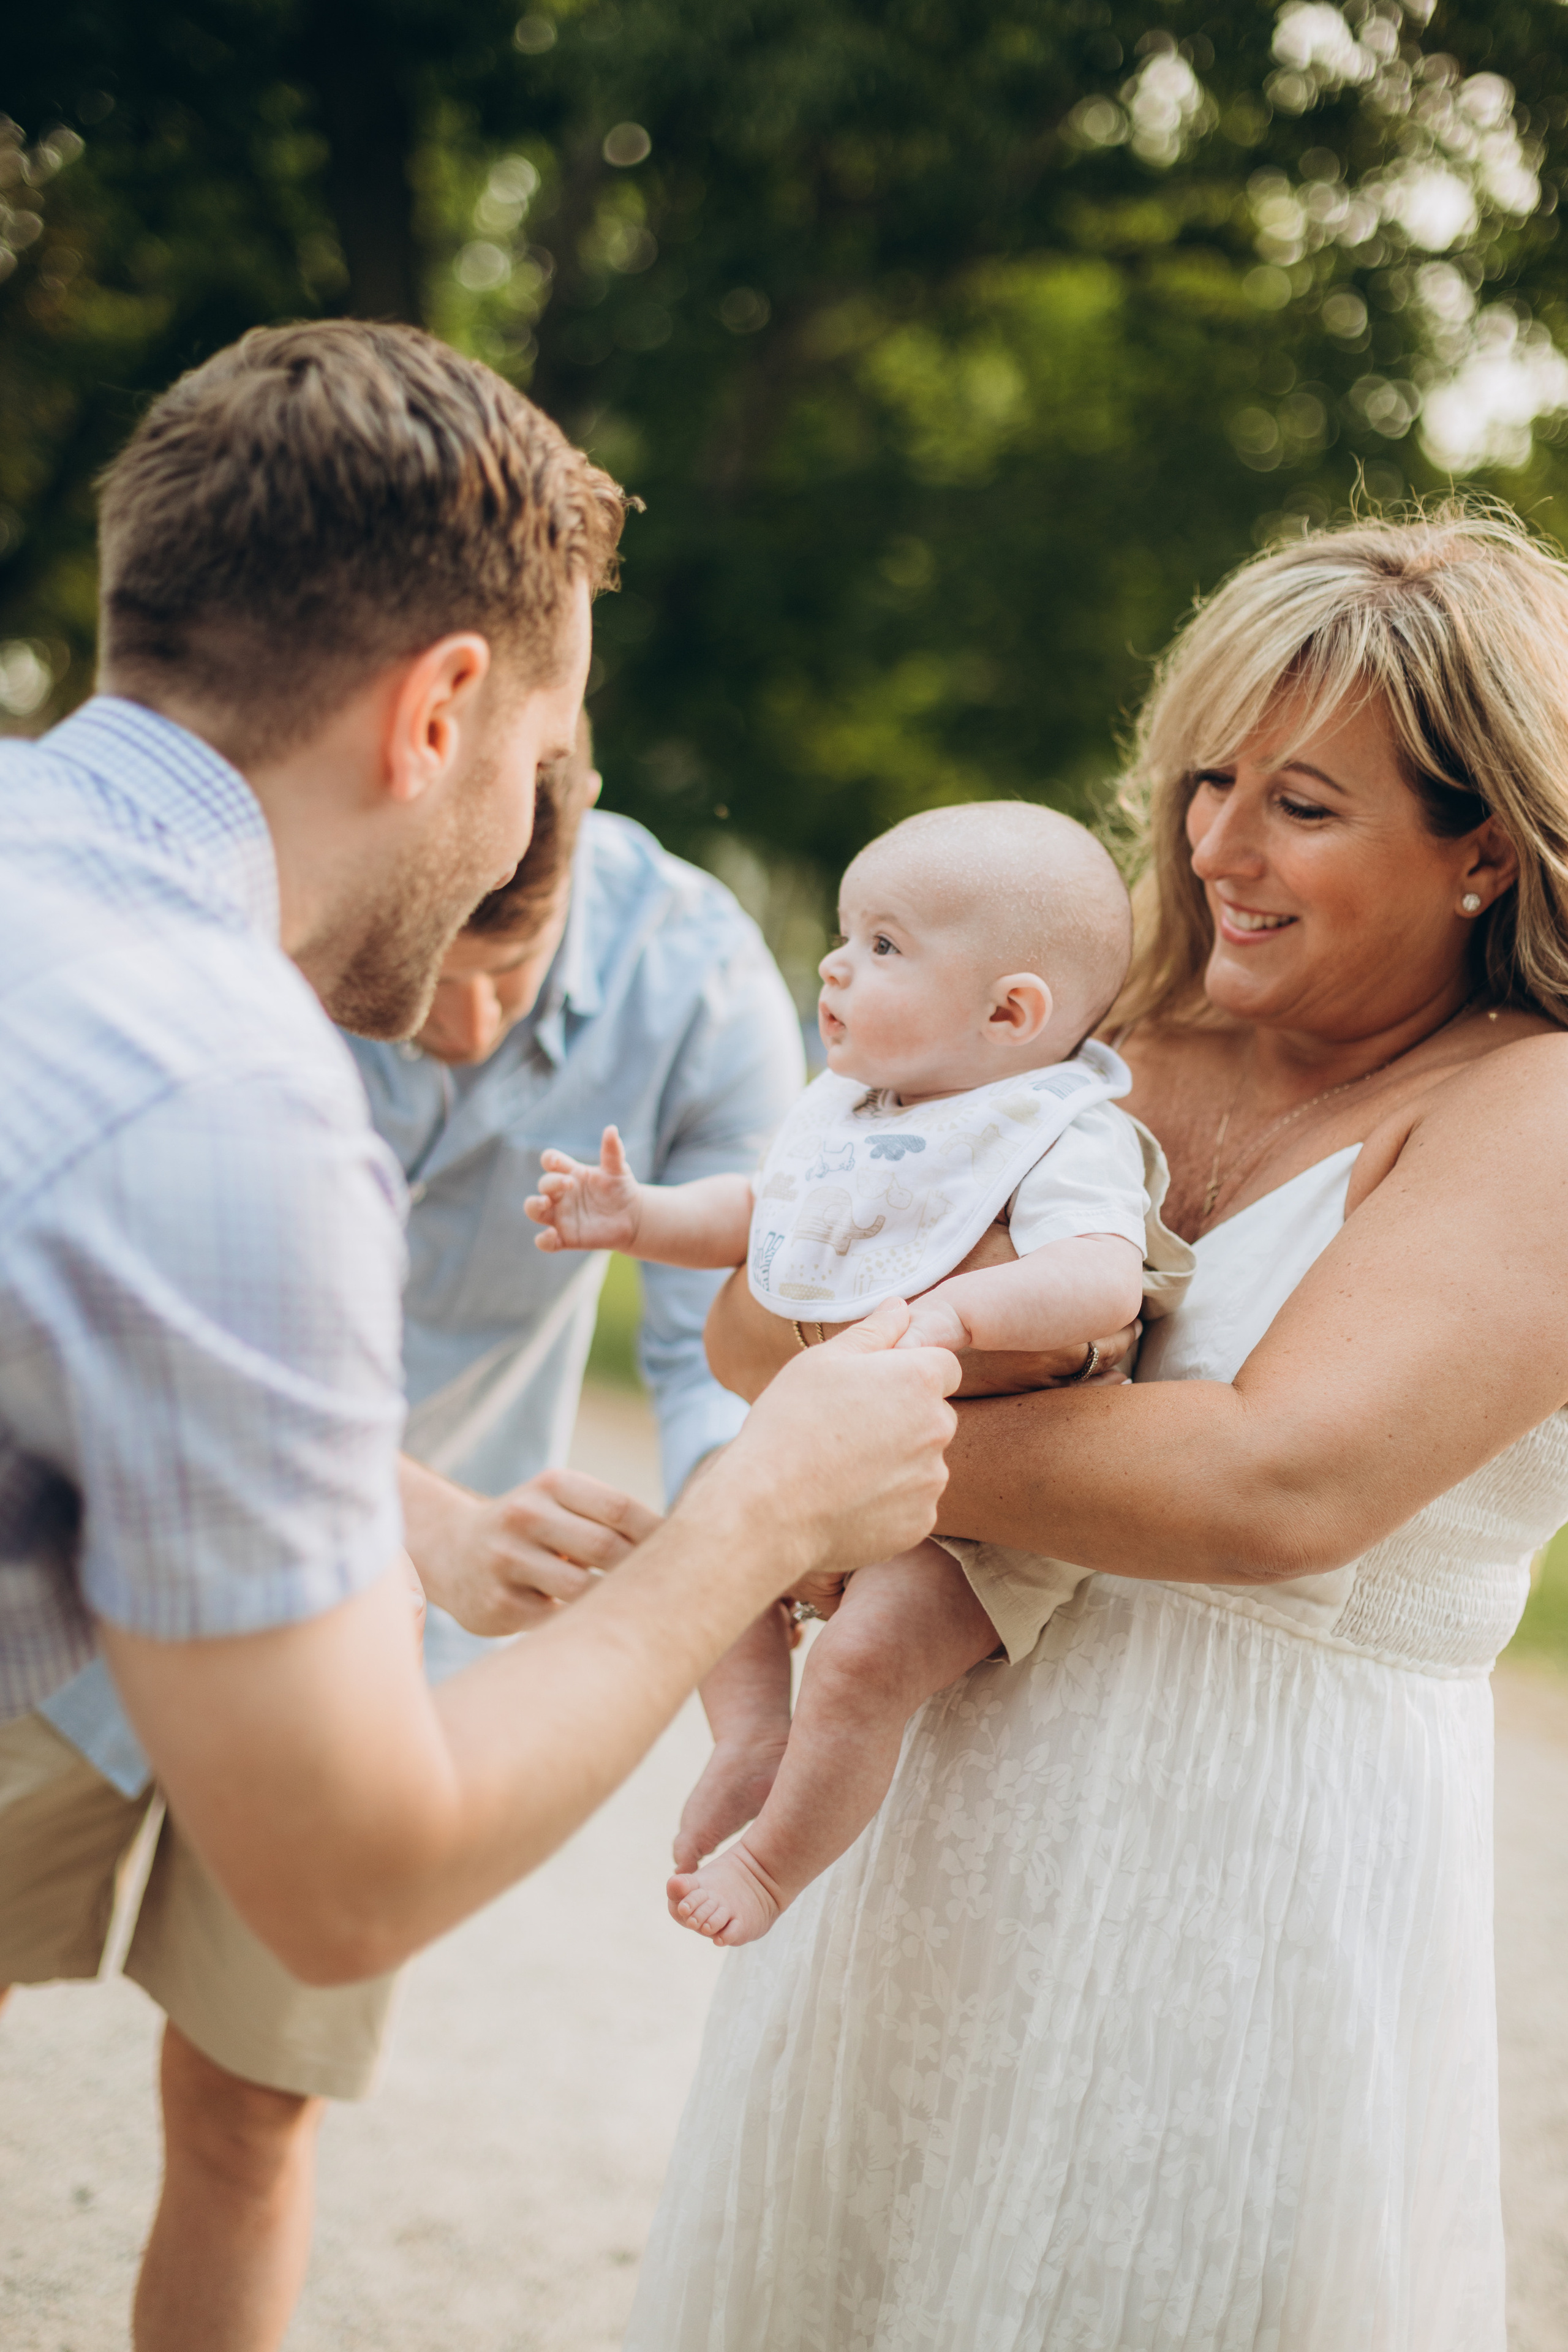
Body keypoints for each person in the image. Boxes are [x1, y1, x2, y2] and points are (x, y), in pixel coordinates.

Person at [0, 318, 962, 2352]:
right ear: (441, 708)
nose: (541, 811)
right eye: (544, 745)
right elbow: (352, 1872)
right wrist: (764, 1520)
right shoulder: (223, 1087)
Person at [626, 507, 1568, 2352]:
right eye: (1210, 778)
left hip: (1246, 1897)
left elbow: (1273, 1483)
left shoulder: (1534, 1109)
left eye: (1302, 805)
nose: (1215, 845)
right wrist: (823, 1381)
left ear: (1481, 846)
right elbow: (751, 1305)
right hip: (905, 1859)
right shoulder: (1089, 1024)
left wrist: (833, 1442)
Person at [15, 715, 807, 2343]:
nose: (459, 1025)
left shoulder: (701, 986)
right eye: (429, 971)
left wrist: (744, 1625)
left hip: (394, 1672)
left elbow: (716, 1354)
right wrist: (417, 1513)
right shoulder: (240, 914)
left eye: (508, 974)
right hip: (101, 1575)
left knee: (251, 2112)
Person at [529, 804, 1193, 1948]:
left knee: (863, 1661)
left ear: (1009, 1013)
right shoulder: (856, 1111)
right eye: (845, 934)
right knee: (711, 1530)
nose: (837, 964)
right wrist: (641, 1219)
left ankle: (772, 1866)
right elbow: (765, 1211)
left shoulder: (1059, 1132)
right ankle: (750, 1735)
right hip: (844, 1449)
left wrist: (958, 1313)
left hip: (970, 1520)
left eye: (883, 945)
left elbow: (1100, 1278)